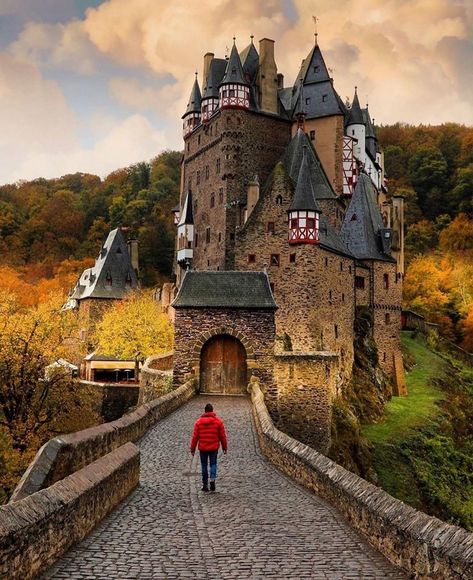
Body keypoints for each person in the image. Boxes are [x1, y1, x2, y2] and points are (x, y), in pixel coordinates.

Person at [190, 403, 227, 492]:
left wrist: (192, 448)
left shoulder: (198, 422)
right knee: (213, 464)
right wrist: (224, 447)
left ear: (205, 411)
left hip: (203, 447)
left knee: (204, 465)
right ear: (212, 411)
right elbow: (222, 436)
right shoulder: (219, 422)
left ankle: (205, 485)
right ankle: (212, 480)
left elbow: (195, 437)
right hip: (214, 447)